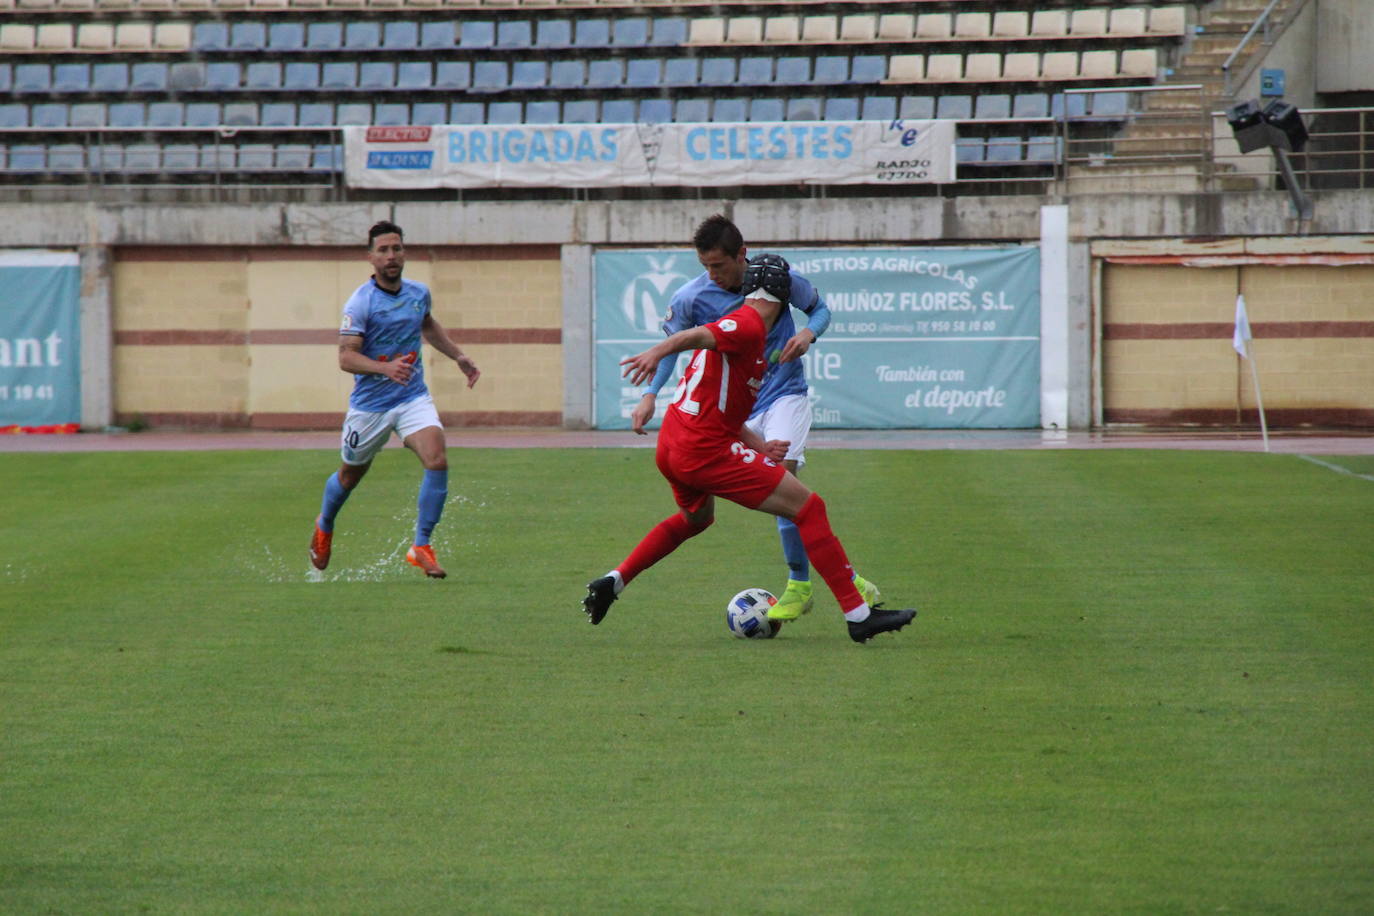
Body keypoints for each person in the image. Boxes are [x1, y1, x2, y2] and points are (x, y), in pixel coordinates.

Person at [584, 255, 916, 644]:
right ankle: (858, 615)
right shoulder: (747, 324)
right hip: (703, 450)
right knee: (809, 508)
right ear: (782, 298)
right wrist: (658, 353)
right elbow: (694, 335)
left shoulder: (751, 336)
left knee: (696, 519)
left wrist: (761, 446)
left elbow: (725, 410)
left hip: (674, 445)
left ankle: (614, 581)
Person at [629, 214, 877, 623]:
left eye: (719, 266)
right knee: (780, 501)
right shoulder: (693, 296)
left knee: (788, 482)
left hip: (784, 394)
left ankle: (799, 585)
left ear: (741, 255)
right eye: (705, 266)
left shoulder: (777, 279)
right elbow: (673, 347)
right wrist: (650, 394)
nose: (712, 275)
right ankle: (851, 581)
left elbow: (820, 310)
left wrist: (808, 334)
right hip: (736, 411)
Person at [308, 220, 481, 579]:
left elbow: (428, 325)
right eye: (383, 250)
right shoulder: (361, 303)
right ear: (370, 257)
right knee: (350, 475)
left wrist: (458, 356)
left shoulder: (418, 293)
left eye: (397, 248)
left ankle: (421, 545)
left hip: (412, 396)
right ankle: (324, 524)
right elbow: (345, 357)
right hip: (370, 407)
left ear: (404, 253)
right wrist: (384, 369)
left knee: (436, 458)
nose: (391, 256)